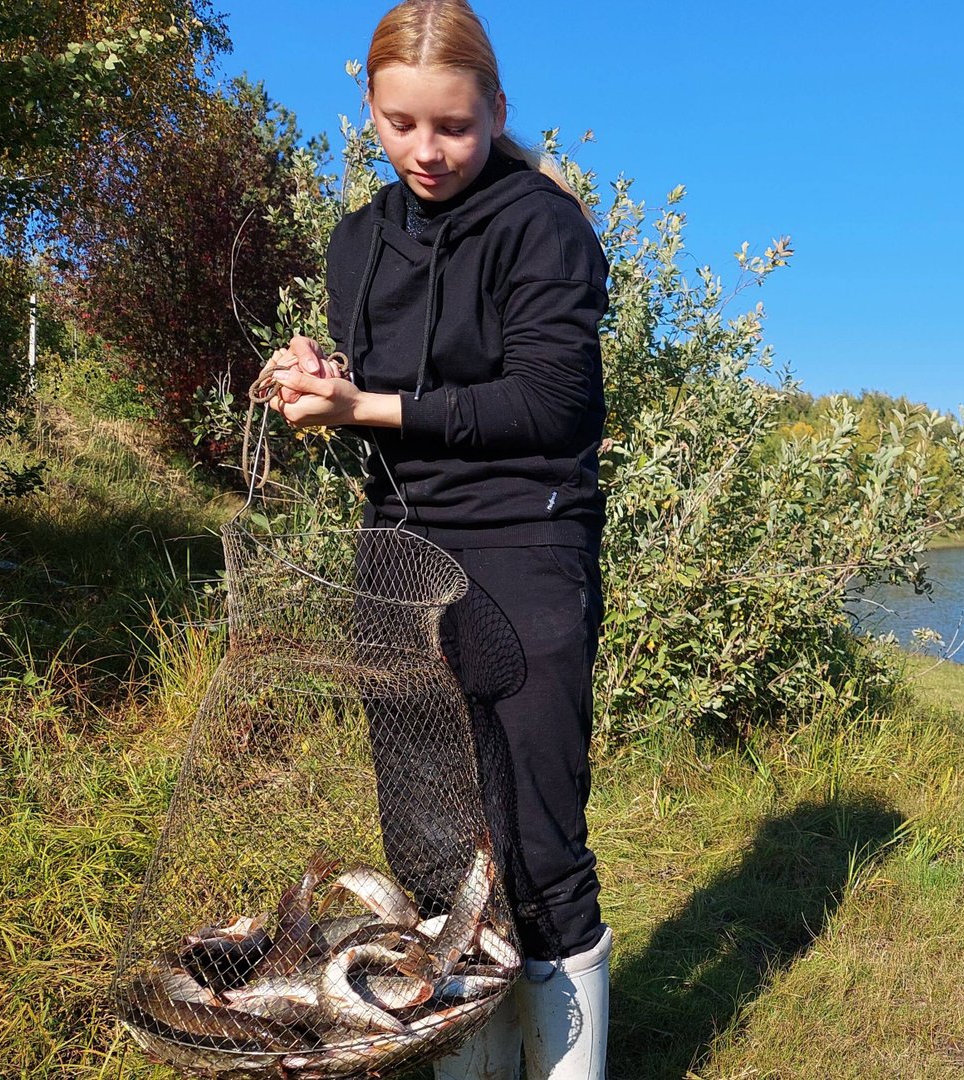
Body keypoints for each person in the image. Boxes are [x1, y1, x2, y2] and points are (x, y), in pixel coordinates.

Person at [262, 1, 610, 1075]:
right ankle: (471, 1058)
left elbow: (552, 406)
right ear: (368, 111)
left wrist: (364, 407)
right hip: (396, 554)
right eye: (402, 123)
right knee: (425, 846)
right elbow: (379, 394)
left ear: (496, 112)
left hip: (524, 545)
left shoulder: (544, 226)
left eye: (453, 126)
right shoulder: (356, 240)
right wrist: (318, 380)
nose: (427, 150)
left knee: (539, 849)